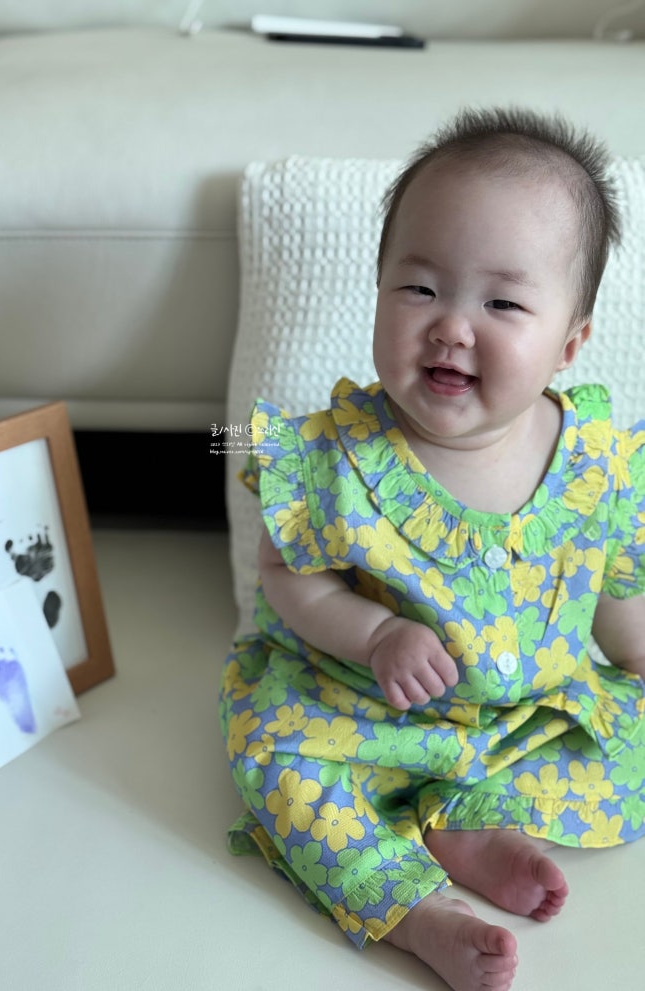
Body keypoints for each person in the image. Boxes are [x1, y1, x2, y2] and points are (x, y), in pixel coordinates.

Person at [219, 107, 645, 991]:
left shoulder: (593, 462)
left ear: (568, 343)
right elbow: (284, 576)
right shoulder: (335, 456)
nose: (451, 326)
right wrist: (374, 633)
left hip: (527, 718)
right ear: (376, 291)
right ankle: (412, 910)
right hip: (361, 710)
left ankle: (468, 821)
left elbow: (614, 583)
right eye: (419, 289)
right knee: (275, 761)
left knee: (629, 741)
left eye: (501, 303)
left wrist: (636, 658)